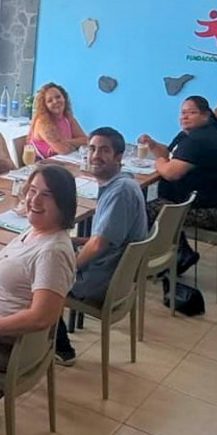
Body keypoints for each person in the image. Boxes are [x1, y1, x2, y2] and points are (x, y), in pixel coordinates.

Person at [0, 165, 77, 416]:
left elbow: (42, 316)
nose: (34, 200)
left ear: (63, 203)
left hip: (5, 345)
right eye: (32, 191)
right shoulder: (36, 231)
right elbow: (18, 279)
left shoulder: (52, 252)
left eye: (46, 195)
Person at [54, 128, 147, 365]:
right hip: (115, 273)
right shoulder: (123, 183)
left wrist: (69, 269)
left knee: (38, 276)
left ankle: (60, 349)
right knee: (55, 248)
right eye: (92, 149)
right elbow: (105, 238)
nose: (95, 155)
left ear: (118, 157)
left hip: (103, 279)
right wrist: (73, 242)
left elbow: (98, 244)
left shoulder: (120, 192)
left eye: (104, 150)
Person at [137, 95, 217, 275]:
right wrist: (152, 144)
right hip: (206, 202)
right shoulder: (192, 134)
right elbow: (169, 154)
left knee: (142, 212)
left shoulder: (199, 140)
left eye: (191, 113)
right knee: (161, 208)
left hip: (205, 210)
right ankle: (182, 253)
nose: (184, 117)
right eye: (182, 113)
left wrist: (159, 163)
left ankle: (148, 263)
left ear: (205, 115)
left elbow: (171, 173)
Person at [26, 82, 87, 159]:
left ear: (64, 98)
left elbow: (85, 140)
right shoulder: (42, 122)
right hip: (42, 163)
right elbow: (63, 150)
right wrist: (75, 143)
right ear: (44, 105)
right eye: (50, 101)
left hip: (64, 160)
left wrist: (65, 141)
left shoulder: (67, 117)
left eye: (58, 97)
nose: (55, 101)